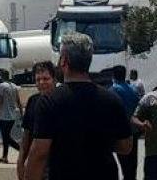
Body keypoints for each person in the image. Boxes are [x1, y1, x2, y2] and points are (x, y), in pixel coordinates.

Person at [24, 33, 132, 180]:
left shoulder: (49, 102)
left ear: (64, 61)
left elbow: (39, 153)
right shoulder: (112, 100)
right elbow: (126, 146)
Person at [17, 60, 56, 180]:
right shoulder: (33, 101)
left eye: (46, 79)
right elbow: (26, 136)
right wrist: (20, 163)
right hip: (37, 164)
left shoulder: (61, 100)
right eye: (38, 80)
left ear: (54, 79)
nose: (41, 83)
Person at [110, 66, 142, 180]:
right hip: (133, 130)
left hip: (120, 131)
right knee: (132, 162)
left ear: (113, 75)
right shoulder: (133, 89)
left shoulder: (113, 90)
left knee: (124, 161)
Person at [0, 70, 23, 163]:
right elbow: (18, 101)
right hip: (13, 115)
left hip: (4, 115)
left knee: (6, 137)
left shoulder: (2, 85)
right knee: (6, 136)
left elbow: (0, 100)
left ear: (2, 76)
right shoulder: (14, 86)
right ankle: (4, 156)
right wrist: (21, 113)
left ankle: (22, 151)